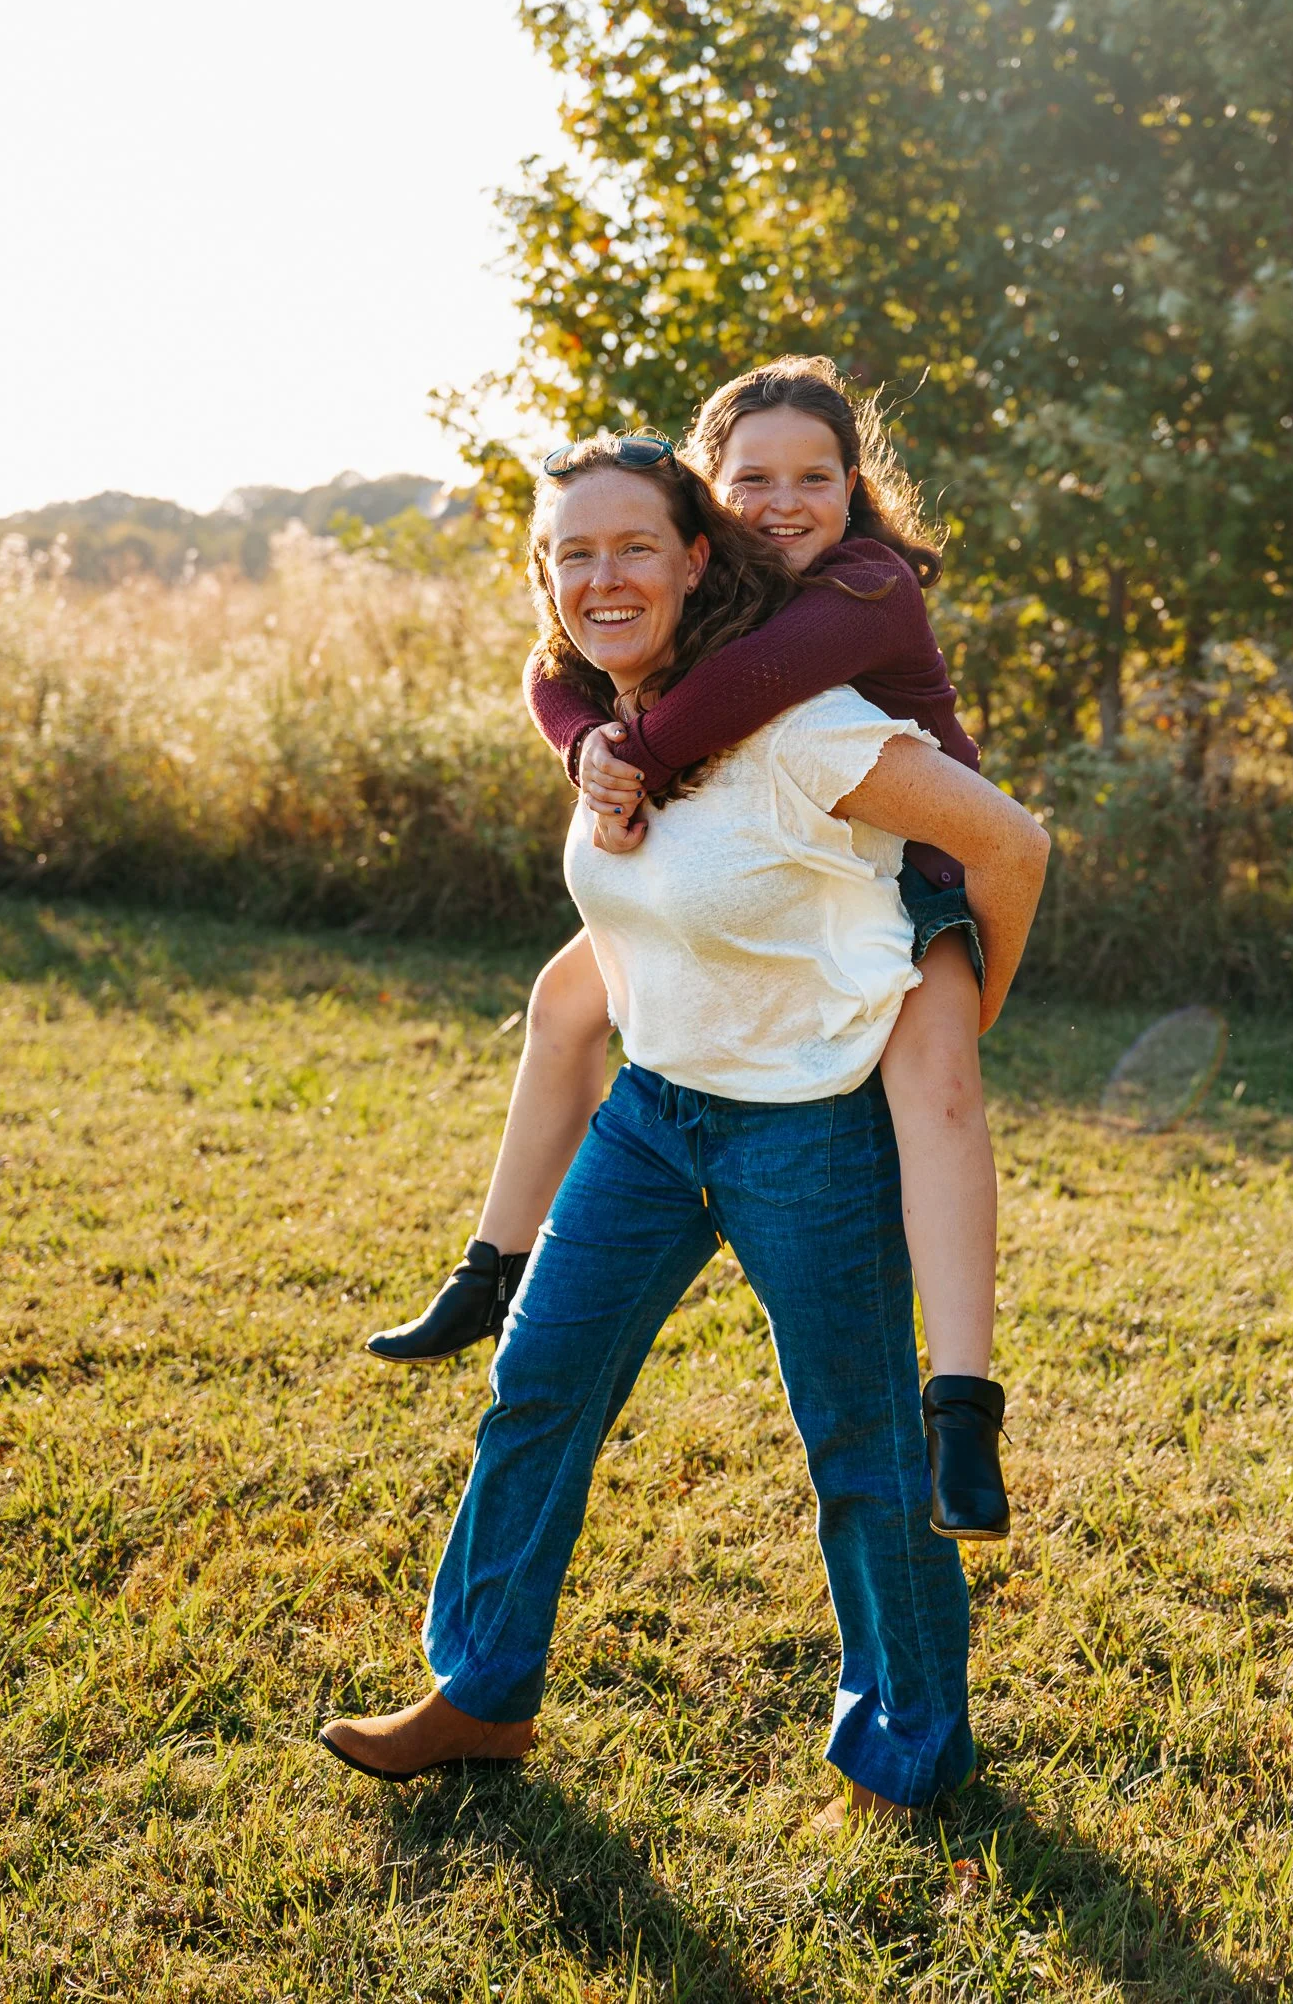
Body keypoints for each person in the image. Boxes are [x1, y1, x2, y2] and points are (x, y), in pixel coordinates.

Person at [322, 436, 1050, 1815]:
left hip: (813, 1136)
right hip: (652, 1121)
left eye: (634, 546)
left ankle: (909, 1745)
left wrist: (965, 1002)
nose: (603, 576)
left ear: (696, 557)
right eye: (572, 552)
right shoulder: (611, 731)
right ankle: (479, 1693)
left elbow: (1008, 842)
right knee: (537, 1390)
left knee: (862, 1450)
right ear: (545, 575)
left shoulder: (806, 727)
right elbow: (623, 934)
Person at [368, 360, 1014, 1538]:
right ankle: (490, 1265)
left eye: (814, 475)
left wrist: (634, 759)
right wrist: (579, 746)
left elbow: (748, 693)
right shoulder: (737, 587)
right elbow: (547, 664)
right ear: (711, 497)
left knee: (941, 1097)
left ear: (853, 486)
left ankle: (963, 1405)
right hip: (812, 873)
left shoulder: (858, 583)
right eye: (750, 477)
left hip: (920, 879)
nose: (783, 501)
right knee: (565, 1004)